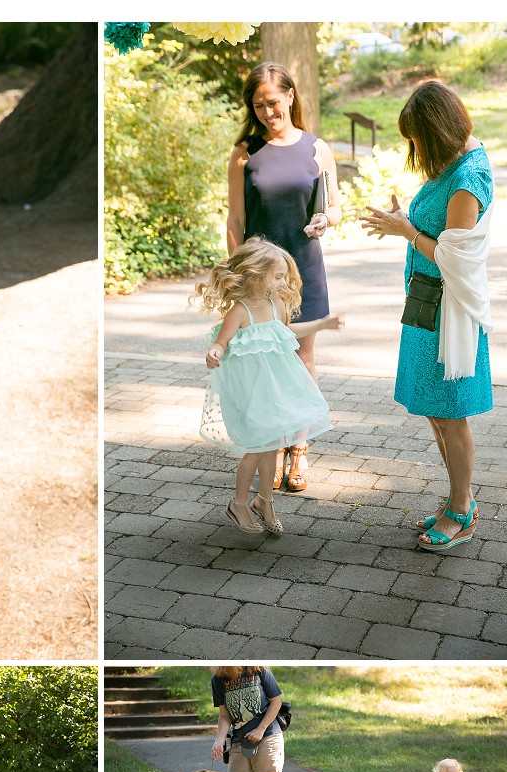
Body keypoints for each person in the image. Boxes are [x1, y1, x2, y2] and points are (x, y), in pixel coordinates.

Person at [360, 80, 493, 552]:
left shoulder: (467, 180)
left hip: (448, 312)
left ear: (435, 130)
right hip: (426, 304)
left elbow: (456, 260)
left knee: (451, 414)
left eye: (416, 137)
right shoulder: (449, 166)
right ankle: (460, 498)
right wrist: (406, 221)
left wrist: (406, 230)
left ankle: (461, 510)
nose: (413, 147)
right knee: (436, 412)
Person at [226, 62, 342, 493]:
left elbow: (334, 207)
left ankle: (299, 448)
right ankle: (272, 447)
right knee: (265, 365)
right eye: (257, 105)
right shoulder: (243, 154)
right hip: (259, 279)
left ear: (291, 96)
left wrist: (323, 222)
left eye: (272, 102)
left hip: (303, 270)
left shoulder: (317, 148)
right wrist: (240, 277)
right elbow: (235, 220)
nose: (266, 112)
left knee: (301, 360)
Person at [198, 237, 342, 533]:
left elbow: (287, 330)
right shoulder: (239, 311)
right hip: (252, 392)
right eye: (276, 276)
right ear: (254, 274)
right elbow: (220, 343)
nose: (281, 282)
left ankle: (265, 501)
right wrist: (215, 353)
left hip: (275, 390)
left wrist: (322, 324)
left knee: (272, 446)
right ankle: (238, 504)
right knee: (256, 448)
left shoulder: (275, 304)